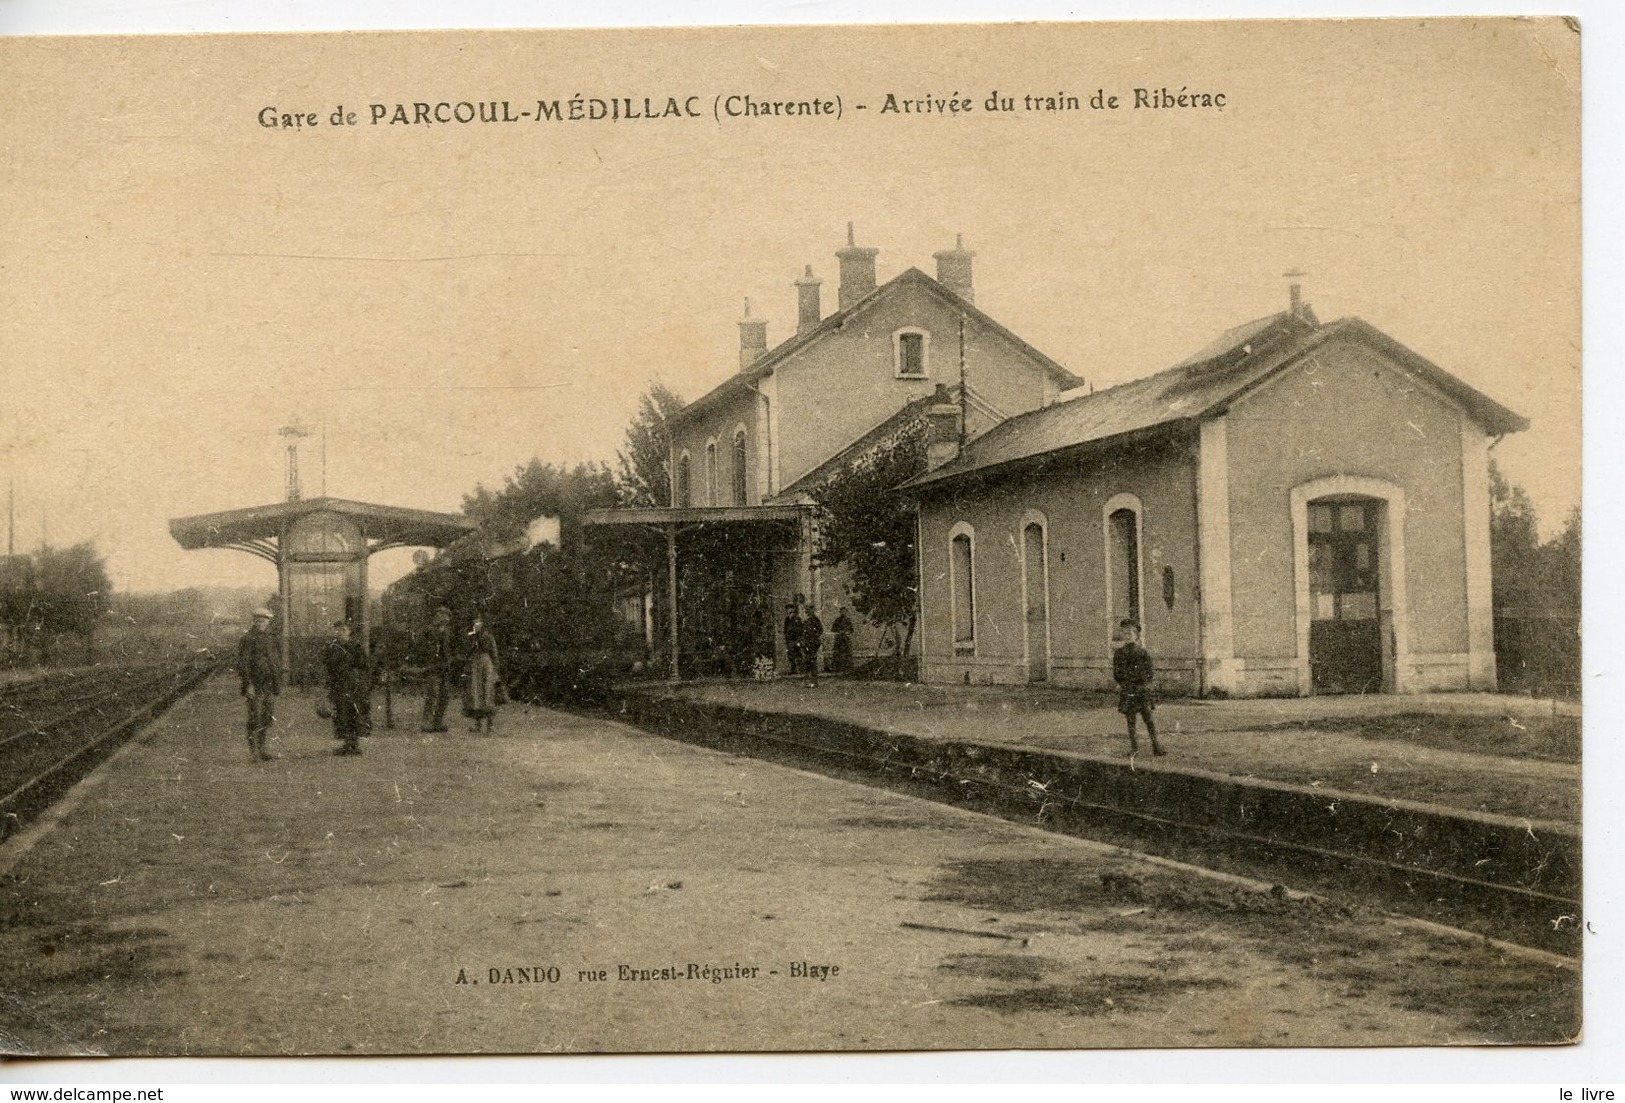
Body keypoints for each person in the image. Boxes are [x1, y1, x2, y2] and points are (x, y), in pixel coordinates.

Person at [1112, 618, 1165, 757]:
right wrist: (1125, 682)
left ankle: (1156, 746)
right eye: (1124, 632)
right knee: (1131, 721)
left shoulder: (1142, 653)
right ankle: (1134, 748)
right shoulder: (1118, 654)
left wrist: (1141, 682)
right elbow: (1117, 673)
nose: (1127, 635)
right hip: (1129, 689)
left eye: (1130, 632)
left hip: (1142, 690)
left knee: (1148, 719)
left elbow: (1149, 673)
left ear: (1136, 635)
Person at [236, 607, 281, 762]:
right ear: (254, 621)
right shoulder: (248, 638)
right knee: (254, 717)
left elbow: (275, 660)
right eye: (258, 620)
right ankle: (253, 752)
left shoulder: (271, 637)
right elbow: (244, 663)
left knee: (267, 717)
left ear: (268, 622)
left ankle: (263, 749)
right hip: (255, 685)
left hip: (269, 683)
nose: (261, 623)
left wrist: (277, 683)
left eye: (264, 620)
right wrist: (248, 684)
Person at [323, 619, 372, 756]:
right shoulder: (331, 648)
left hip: (353, 686)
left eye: (343, 630)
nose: (340, 633)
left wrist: (361, 682)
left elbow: (364, 667)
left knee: (354, 713)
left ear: (349, 632)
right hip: (338, 685)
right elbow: (328, 667)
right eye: (337, 630)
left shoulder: (355, 647)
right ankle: (347, 744)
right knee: (341, 714)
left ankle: (354, 744)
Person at [420, 605, 455, 733]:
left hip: (444, 667)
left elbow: (449, 648)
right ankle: (426, 723)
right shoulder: (430, 630)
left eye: (446, 616)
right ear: (437, 617)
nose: (445, 619)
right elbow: (426, 647)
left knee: (444, 696)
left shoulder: (447, 631)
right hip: (433, 667)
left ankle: (437, 722)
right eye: (442, 615)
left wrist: (450, 660)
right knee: (432, 695)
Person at [463, 618, 501, 735]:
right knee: (476, 694)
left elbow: (494, 652)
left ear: (482, 625)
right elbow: (468, 652)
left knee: (487, 693)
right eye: (474, 624)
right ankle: (478, 725)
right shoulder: (472, 637)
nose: (476, 626)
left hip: (486, 665)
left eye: (478, 624)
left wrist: (495, 669)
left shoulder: (488, 637)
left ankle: (490, 726)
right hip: (475, 665)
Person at [799, 603, 824, 687]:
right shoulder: (807, 620)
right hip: (807, 643)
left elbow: (820, 630)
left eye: (808, 609)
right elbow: (803, 632)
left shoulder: (815, 620)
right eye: (806, 610)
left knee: (811, 661)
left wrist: (814, 637)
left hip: (812, 643)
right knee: (808, 661)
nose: (807, 611)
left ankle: (814, 681)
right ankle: (808, 681)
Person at [831, 607, 854, 674]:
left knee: (847, 654)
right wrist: (839, 631)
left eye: (844, 611)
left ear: (846, 612)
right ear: (840, 612)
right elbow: (833, 629)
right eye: (841, 611)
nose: (843, 613)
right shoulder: (837, 620)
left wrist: (847, 632)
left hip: (846, 640)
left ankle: (847, 669)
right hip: (839, 640)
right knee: (838, 654)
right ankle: (838, 669)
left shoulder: (848, 620)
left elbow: (851, 630)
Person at [782, 602, 802, 677]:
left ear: (793, 610)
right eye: (787, 609)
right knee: (790, 655)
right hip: (789, 640)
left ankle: (800, 669)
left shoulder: (797, 619)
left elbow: (800, 629)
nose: (788, 610)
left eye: (790, 609)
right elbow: (785, 629)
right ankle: (793, 669)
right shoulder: (787, 619)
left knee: (798, 654)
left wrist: (799, 639)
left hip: (796, 639)